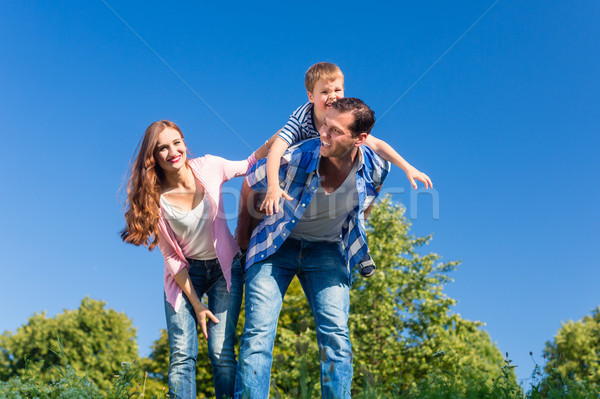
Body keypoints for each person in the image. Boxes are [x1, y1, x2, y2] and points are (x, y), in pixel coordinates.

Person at [234, 98, 390, 398]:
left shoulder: (377, 167)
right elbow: (249, 184)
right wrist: (243, 240)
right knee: (258, 334)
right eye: (324, 126)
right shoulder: (295, 157)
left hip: (327, 250)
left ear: (360, 139)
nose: (324, 134)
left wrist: (353, 221)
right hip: (275, 247)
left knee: (336, 337)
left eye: (335, 131)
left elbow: (371, 192)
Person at [121, 120, 263, 399]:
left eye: (176, 143)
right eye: (162, 148)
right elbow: (172, 257)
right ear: (154, 157)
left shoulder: (209, 166)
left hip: (225, 269)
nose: (172, 151)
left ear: (184, 143)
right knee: (182, 356)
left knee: (222, 353)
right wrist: (197, 305)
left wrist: (286, 135)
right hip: (186, 276)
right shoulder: (154, 199)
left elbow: (249, 162)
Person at [250, 62, 431, 277]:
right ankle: (249, 160)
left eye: (337, 90)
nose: (333, 96)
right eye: (324, 92)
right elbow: (277, 150)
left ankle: (358, 248)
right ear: (311, 97)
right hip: (296, 156)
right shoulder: (301, 117)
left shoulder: (342, 116)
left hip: (323, 161)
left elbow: (377, 144)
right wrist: (272, 186)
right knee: (272, 144)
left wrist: (408, 167)